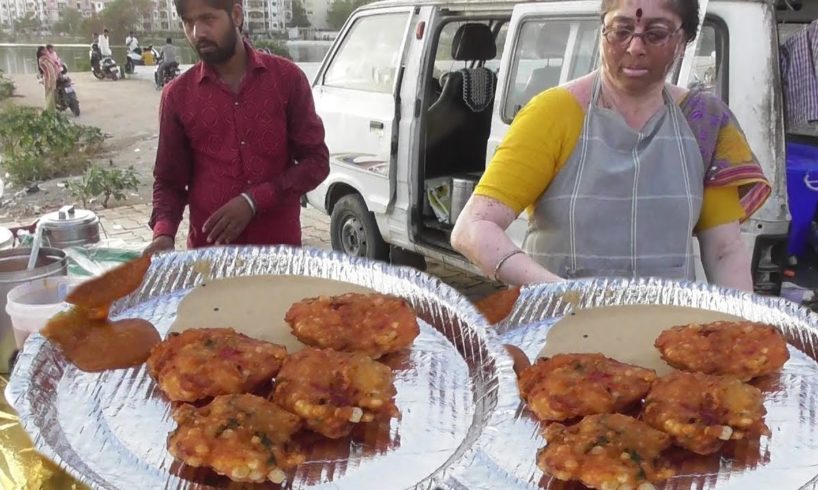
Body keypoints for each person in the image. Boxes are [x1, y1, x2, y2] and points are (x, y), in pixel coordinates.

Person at [450, 0, 771, 292]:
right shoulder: (552, 114)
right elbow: (474, 227)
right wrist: (560, 293)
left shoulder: (703, 122)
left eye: (656, 34)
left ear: (684, 41)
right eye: (621, 30)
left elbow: (724, 251)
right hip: (558, 334)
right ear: (602, 29)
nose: (634, 47)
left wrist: (742, 330)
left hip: (661, 338)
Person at [144, 0, 329, 255]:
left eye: (208, 19)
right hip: (210, 259)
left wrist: (253, 201)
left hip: (279, 255)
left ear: (237, 15)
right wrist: (163, 234)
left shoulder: (287, 79)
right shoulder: (177, 96)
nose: (198, 33)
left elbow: (316, 162)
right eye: (189, 23)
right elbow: (168, 180)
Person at [36, 46, 59, 112]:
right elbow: (49, 70)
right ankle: (49, 110)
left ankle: (51, 110)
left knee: (51, 95)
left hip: (51, 78)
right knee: (50, 95)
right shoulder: (43, 59)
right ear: (42, 52)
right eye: (45, 50)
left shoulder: (46, 58)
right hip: (49, 79)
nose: (47, 51)